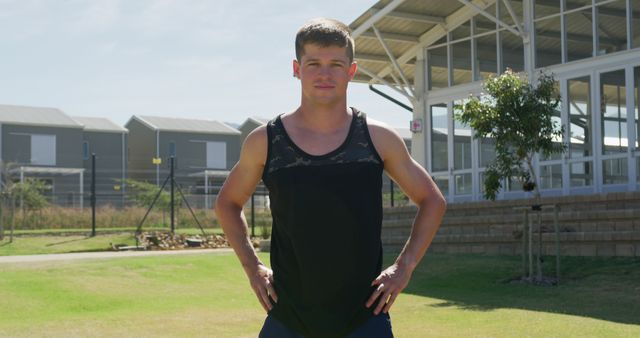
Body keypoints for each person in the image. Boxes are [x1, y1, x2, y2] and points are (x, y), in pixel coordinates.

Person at [215, 18, 446, 338]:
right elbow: (227, 202)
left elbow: (432, 199)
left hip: (364, 318)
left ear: (351, 71)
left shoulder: (378, 138)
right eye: (314, 63)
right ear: (297, 69)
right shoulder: (265, 141)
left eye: (336, 64)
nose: (325, 73)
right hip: (289, 317)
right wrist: (252, 268)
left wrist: (403, 267)